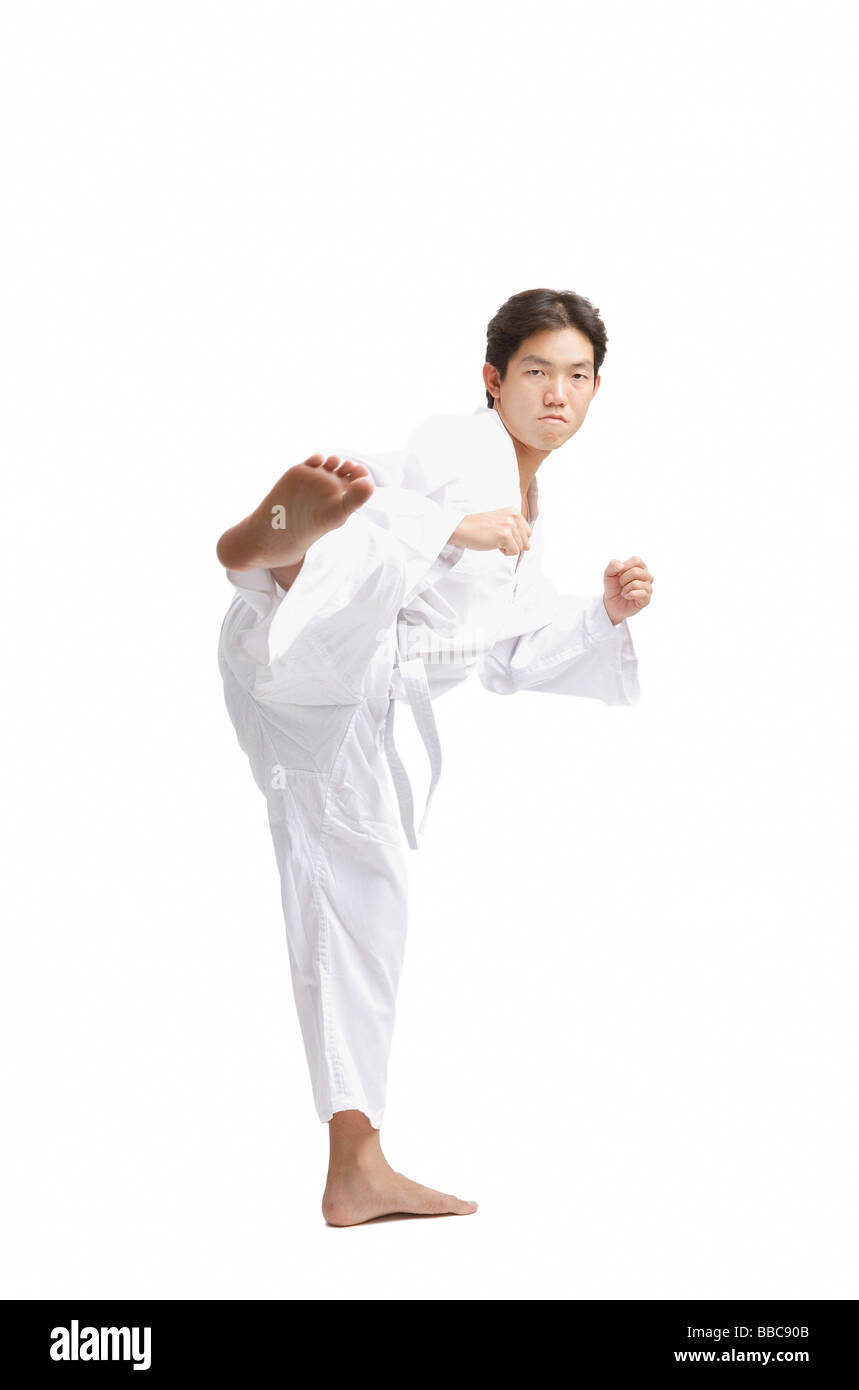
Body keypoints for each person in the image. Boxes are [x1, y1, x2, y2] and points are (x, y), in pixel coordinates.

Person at [215, 288, 653, 1226]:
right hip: (324, 661)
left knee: (362, 905)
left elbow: (502, 658)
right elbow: (417, 511)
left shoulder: (531, 512)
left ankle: (357, 1164)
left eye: (577, 377)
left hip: (340, 699)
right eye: (536, 372)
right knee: (367, 547)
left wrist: (600, 614)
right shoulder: (463, 448)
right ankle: (272, 555)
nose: (556, 394)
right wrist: (454, 527)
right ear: (492, 381)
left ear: (595, 390)